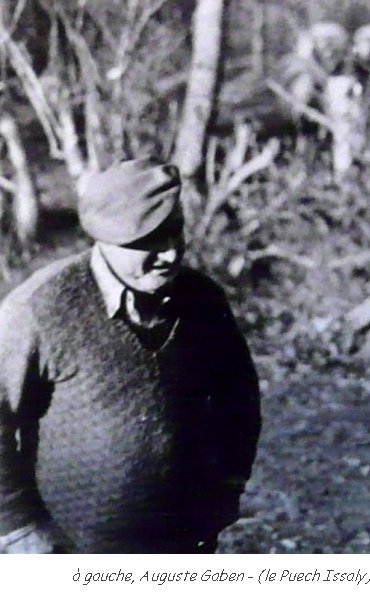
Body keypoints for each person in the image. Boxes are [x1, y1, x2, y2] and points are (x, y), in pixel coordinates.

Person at [0, 158, 262, 553]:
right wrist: (19, 528)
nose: (170, 254)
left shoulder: (202, 299)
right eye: (150, 240)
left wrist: (228, 486)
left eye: (175, 232)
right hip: (70, 553)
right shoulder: (39, 309)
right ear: (105, 238)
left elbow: (239, 399)